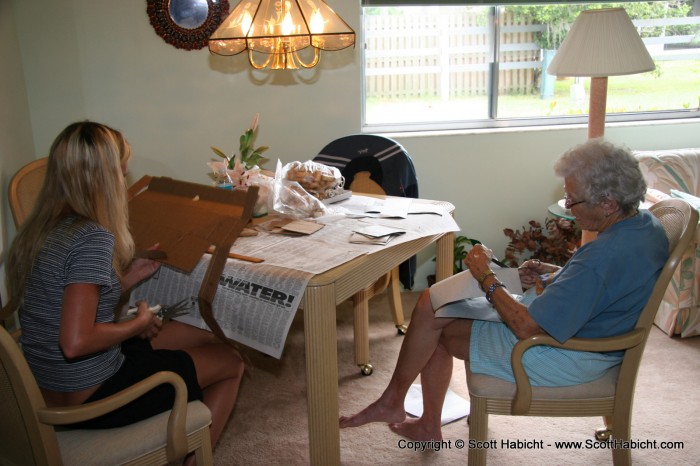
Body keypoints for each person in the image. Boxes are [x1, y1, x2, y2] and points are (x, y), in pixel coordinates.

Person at [339, 138, 668, 442]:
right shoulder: (644, 225)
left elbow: (527, 327)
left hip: (565, 354)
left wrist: (485, 276)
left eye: (573, 199)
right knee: (434, 306)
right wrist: (558, 275)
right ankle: (406, 410)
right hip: (586, 337)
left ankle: (408, 413)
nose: (568, 206)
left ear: (609, 203)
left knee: (435, 326)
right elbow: (606, 285)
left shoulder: (603, 256)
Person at [5, 121, 244, 463]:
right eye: (121, 164)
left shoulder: (43, 229)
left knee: (202, 333)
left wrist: (126, 280)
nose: (126, 171)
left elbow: (68, 306)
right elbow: (75, 342)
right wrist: (138, 323)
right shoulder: (92, 238)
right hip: (93, 398)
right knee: (230, 361)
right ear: (103, 174)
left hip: (49, 385)